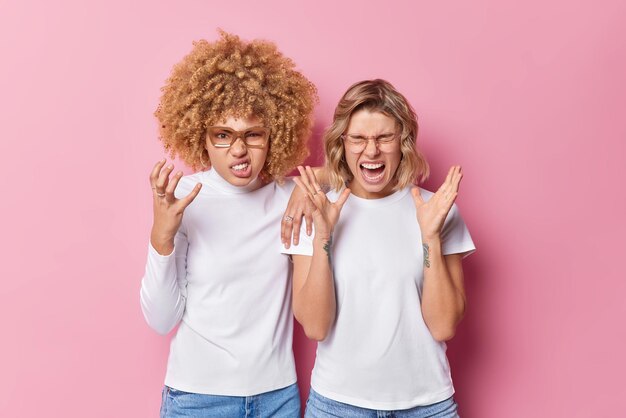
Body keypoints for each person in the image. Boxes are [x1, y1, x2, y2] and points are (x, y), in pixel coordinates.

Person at [140, 31, 317, 418]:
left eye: (252, 134)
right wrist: (162, 236)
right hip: (198, 398)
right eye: (223, 135)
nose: (238, 149)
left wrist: (313, 182)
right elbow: (160, 319)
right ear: (201, 137)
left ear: (275, 134)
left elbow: (360, 173)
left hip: (277, 399)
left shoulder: (291, 196)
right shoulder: (183, 196)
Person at [284, 79, 476, 417]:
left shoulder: (436, 210)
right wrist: (323, 239)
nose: (371, 151)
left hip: (427, 406)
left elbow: (444, 326)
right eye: (358, 138)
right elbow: (315, 327)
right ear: (342, 143)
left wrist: (429, 236)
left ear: (403, 143)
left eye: (384, 138)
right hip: (337, 406)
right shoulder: (315, 208)